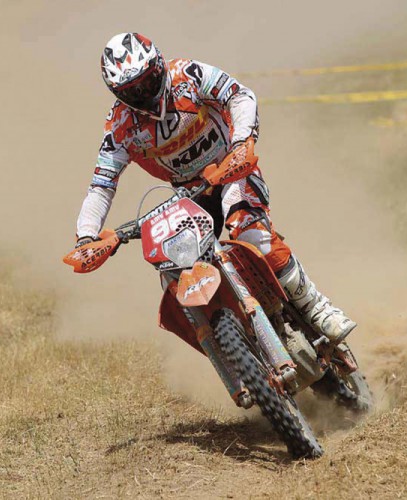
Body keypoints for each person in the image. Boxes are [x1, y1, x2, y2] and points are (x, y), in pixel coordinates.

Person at [73, 32, 355, 345]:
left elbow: (239, 95)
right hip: (189, 194)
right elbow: (102, 184)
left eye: (147, 81)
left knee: (249, 233)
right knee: (177, 265)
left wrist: (242, 142)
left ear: (159, 66)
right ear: (117, 92)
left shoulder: (188, 75)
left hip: (231, 167)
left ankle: (316, 306)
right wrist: (87, 236)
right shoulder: (120, 125)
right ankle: (236, 343)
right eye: (132, 90)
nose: (143, 92)